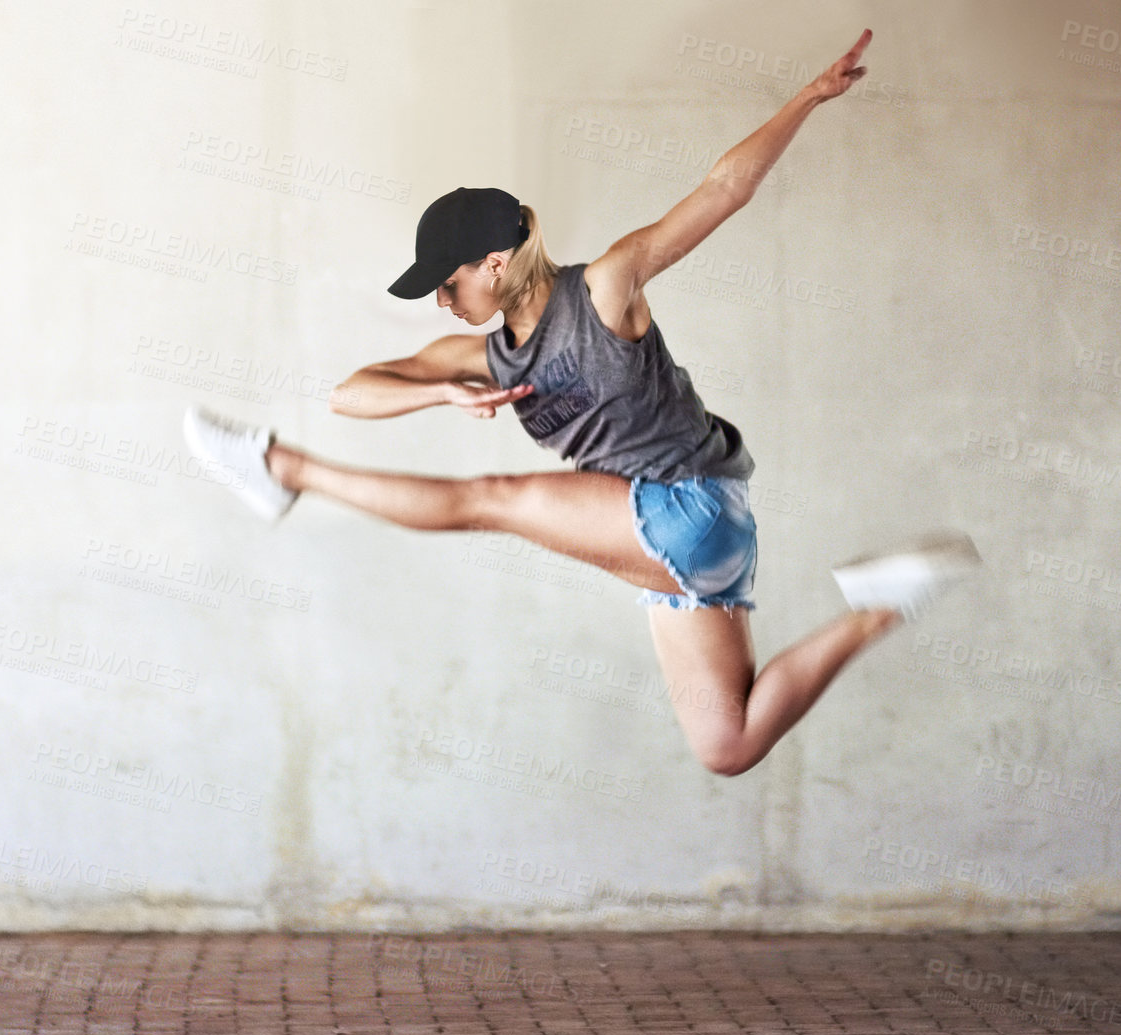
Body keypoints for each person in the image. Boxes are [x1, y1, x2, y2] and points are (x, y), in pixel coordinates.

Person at [183, 28, 981, 777]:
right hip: (703, 542)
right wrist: (442, 397)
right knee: (727, 741)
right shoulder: (481, 354)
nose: (440, 301)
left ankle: (277, 466)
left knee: (487, 501)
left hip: (685, 506)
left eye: (447, 282)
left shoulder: (604, 287)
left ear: (494, 263)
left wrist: (808, 95)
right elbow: (351, 394)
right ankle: (878, 610)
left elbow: (724, 189)